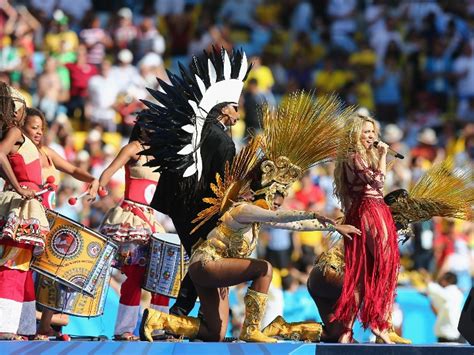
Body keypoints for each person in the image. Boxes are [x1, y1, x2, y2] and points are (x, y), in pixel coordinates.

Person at [139, 91, 360, 343]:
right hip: (207, 266)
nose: (279, 201)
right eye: (277, 195)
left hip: (211, 270)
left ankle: (159, 320)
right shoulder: (243, 209)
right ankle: (251, 329)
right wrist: (317, 215)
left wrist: (331, 226)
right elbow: (284, 218)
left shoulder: (255, 213)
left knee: (215, 332)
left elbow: (293, 223)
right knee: (264, 269)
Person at [140, 48, 251, 318]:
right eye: (235, 106)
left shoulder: (202, 129)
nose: (238, 112)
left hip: (180, 205)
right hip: (198, 209)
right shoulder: (223, 140)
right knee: (206, 257)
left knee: (202, 257)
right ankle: (182, 314)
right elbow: (223, 184)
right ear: (224, 108)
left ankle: (190, 313)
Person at [21, 107, 99, 339]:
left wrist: (93, 179)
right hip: (28, 219)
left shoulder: (47, 152)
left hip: (49, 223)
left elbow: (74, 169)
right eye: (33, 127)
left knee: (53, 274)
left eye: (41, 129)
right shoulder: (20, 153)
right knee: (23, 272)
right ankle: (22, 323)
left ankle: (45, 325)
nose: (38, 133)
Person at [332, 112, 400, 343]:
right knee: (386, 264)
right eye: (366, 132)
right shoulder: (354, 157)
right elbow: (378, 183)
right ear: (355, 134)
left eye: (373, 132)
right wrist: (382, 155)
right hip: (371, 210)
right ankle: (379, 323)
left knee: (361, 274)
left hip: (361, 212)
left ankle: (347, 330)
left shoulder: (351, 158)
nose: (371, 136)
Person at [98, 124, 168, 341]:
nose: (155, 129)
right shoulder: (133, 149)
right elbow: (109, 171)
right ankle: (123, 329)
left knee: (161, 276)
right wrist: (97, 186)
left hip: (151, 221)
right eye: (151, 125)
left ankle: (159, 328)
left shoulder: (161, 154)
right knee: (135, 276)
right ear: (142, 128)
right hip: (132, 219)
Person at [0, 82, 48, 340]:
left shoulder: (16, 133)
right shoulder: (14, 131)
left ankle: (25, 326)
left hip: (26, 204)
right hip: (21, 206)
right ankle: (5, 327)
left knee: (23, 267)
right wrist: (19, 187)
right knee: (14, 265)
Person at [425, 271, 464, 343]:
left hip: (452, 336)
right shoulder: (452, 294)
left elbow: (438, 291)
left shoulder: (453, 292)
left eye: (442, 279)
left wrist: (429, 283)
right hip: (447, 335)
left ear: (446, 281)